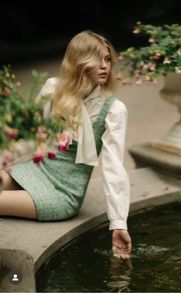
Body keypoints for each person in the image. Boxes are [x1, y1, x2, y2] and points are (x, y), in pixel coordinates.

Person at [0, 31, 132, 259]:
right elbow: (32, 135)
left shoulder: (113, 110)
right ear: (79, 62)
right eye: (97, 59)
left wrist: (119, 224)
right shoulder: (53, 88)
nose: (104, 66)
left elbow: (114, 168)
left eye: (108, 59)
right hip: (33, 172)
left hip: (61, 193)